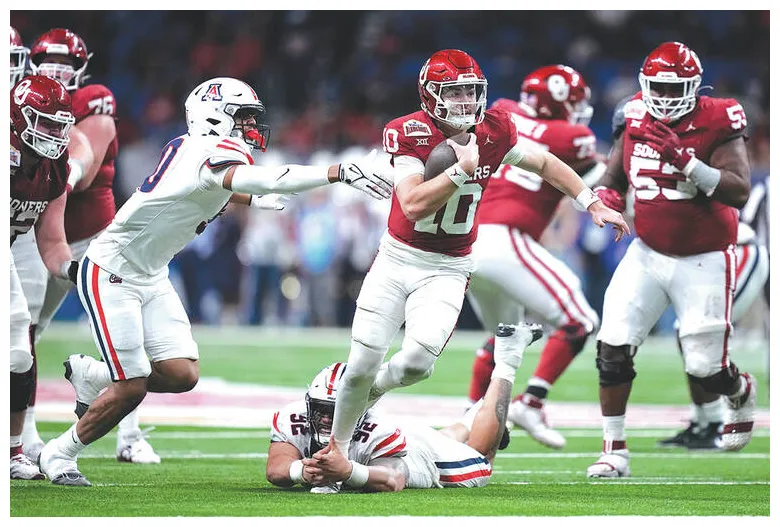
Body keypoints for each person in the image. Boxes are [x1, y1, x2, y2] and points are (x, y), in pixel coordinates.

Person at [37, 76, 392, 487]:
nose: (250, 128)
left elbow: (204, 189)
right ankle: (58, 453)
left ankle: (95, 376)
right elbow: (258, 178)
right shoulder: (208, 150)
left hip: (150, 273)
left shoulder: (194, 150)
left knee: (182, 373)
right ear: (214, 116)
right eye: (242, 119)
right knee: (131, 386)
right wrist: (337, 172)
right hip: (113, 270)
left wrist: (252, 199)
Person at [319, 49, 629, 466]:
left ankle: (369, 394)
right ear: (430, 94)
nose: (466, 101)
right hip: (398, 259)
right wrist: (461, 172)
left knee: (415, 365)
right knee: (360, 362)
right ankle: (335, 450)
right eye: (455, 92)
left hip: (449, 266)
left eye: (471, 91)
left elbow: (543, 162)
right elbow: (410, 204)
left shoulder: (495, 129)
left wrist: (590, 201)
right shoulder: (407, 130)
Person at [588, 41, 756, 478]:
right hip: (646, 251)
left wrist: (686, 162)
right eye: (657, 86)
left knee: (705, 371)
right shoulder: (633, 114)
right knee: (612, 347)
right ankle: (614, 451)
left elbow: (739, 188)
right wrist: (605, 199)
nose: (664, 95)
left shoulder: (720, 117)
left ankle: (738, 389)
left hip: (704, 258)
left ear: (695, 86)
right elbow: (614, 176)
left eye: (674, 86)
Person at [12, 27, 162, 465]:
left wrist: (60, 174)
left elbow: (79, 161)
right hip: (28, 238)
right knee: (24, 335)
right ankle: (24, 438)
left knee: (117, 335)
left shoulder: (79, 126)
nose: (58, 70)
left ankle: (126, 434)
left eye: (68, 63)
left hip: (75, 237)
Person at [465, 65, 605, 450]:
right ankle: (531, 402)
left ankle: (469, 421)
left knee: (502, 338)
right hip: (507, 238)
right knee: (580, 320)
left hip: (471, 242)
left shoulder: (503, 112)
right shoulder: (571, 135)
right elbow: (589, 171)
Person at [267, 323, 543, 492]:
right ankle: (474, 416)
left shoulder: (378, 431)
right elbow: (275, 467)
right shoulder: (294, 417)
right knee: (444, 437)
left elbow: (394, 480)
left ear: (357, 410)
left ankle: (508, 355)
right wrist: (299, 471)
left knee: (483, 459)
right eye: (321, 410)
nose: (327, 420)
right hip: (408, 436)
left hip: (423, 459)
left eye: (336, 411)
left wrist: (349, 472)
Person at [10, 75, 78, 480]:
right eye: (45, 123)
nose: (54, 134)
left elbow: (52, 241)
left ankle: (13, 449)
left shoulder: (55, 166)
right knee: (17, 331)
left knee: (20, 351)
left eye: (59, 125)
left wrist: (79, 273)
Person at [657, 221, 768, 449]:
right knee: (686, 330)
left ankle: (717, 416)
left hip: (734, 251)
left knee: (696, 331)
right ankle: (703, 421)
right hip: (696, 258)